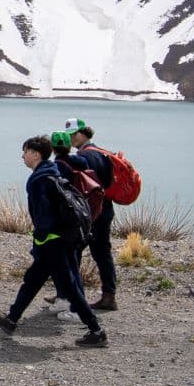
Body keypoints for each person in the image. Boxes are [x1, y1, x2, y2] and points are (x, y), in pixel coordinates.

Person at [0, 135, 107, 346]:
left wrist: (41, 236)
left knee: (69, 287)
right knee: (33, 280)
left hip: (53, 242)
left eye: (25, 152)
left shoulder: (38, 181)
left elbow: (43, 216)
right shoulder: (52, 173)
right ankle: (11, 319)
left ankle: (96, 330)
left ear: (36, 154)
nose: (22, 156)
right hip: (61, 239)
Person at [65, 118, 117, 312]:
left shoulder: (84, 157)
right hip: (105, 209)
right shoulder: (102, 154)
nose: (72, 138)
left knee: (73, 250)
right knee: (102, 252)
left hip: (89, 212)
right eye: (69, 135)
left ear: (84, 134)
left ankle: (69, 293)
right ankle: (109, 295)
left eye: (74, 134)